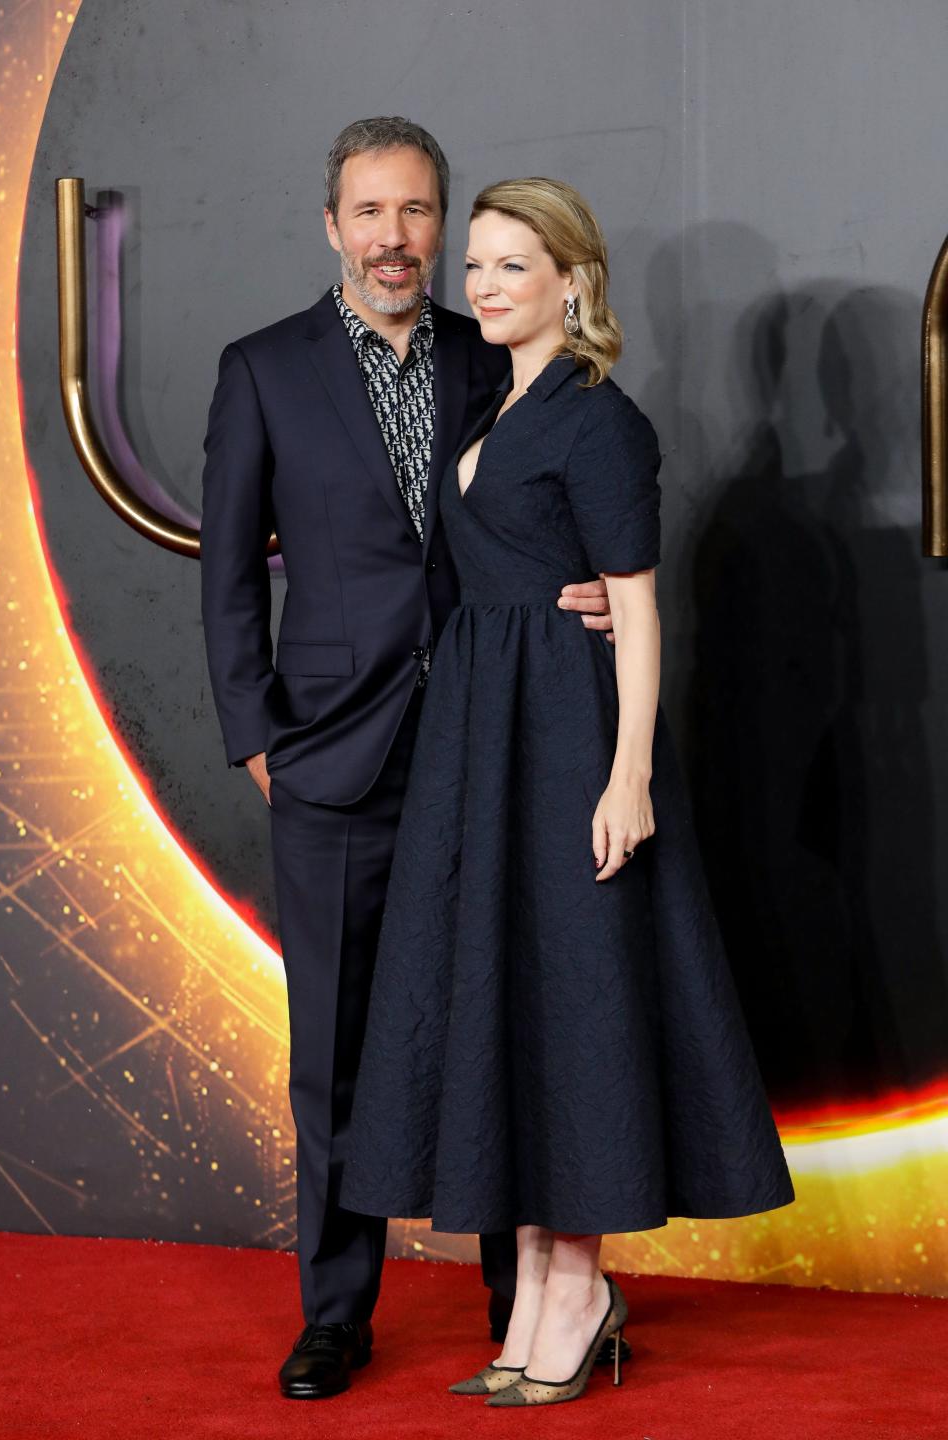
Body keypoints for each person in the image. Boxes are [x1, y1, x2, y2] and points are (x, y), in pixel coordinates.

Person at [340, 177, 796, 1408]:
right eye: (475, 264)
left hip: (567, 737)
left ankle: (577, 1289)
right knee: (515, 996)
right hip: (483, 734)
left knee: (576, 995)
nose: (481, 284)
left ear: (573, 280)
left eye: (509, 265)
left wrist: (629, 776)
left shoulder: (601, 419)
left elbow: (638, 609)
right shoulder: (497, 401)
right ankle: (543, 1288)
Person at [199, 119, 618, 1401]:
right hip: (334, 762)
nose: (397, 239)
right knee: (332, 1052)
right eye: (371, 213)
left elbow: (552, 505)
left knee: (502, 1023)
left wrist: (601, 593)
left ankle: (525, 1301)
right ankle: (337, 1314)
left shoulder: (495, 352)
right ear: (332, 225)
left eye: (419, 212)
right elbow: (224, 580)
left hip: (494, 748)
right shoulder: (263, 369)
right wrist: (260, 738)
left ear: (443, 227)